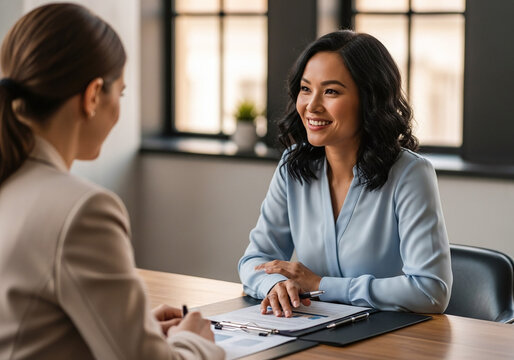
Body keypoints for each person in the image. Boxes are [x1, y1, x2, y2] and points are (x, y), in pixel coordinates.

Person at [0, 3, 223, 359]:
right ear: (92, 97)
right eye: (119, 93)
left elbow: (28, 332)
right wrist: (194, 340)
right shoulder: (83, 211)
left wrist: (132, 327)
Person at [238, 30, 453, 318]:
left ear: (369, 100)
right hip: (309, 332)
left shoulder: (410, 174)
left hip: (388, 339)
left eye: (331, 91)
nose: (312, 106)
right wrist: (273, 283)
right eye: (305, 88)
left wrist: (321, 285)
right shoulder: (293, 164)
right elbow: (254, 260)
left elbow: (430, 291)